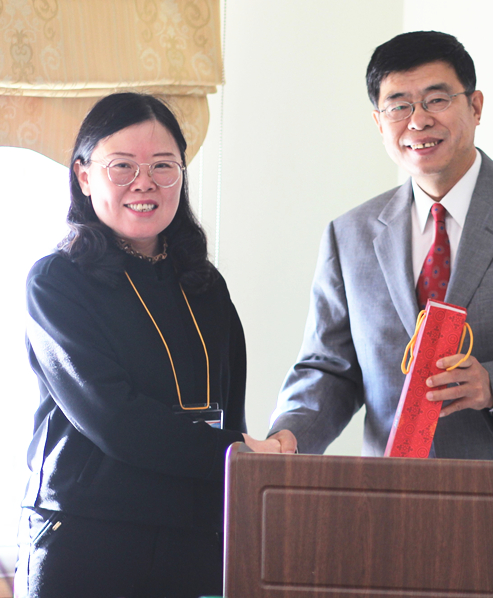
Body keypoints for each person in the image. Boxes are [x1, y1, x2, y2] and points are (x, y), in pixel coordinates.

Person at [270, 31, 493, 579]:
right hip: (390, 513)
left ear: (476, 106)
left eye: (437, 99)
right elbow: (330, 368)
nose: (418, 120)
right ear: (379, 123)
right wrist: (288, 438)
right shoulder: (350, 233)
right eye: (398, 106)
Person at [15, 92, 296, 598]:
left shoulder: (204, 284)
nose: (144, 182)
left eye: (163, 165)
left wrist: (247, 462)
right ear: (84, 176)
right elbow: (115, 419)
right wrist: (239, 451)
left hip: (194, 542)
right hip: (86, 539)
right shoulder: (56, 281)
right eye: (122, 166)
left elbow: (227, 408)